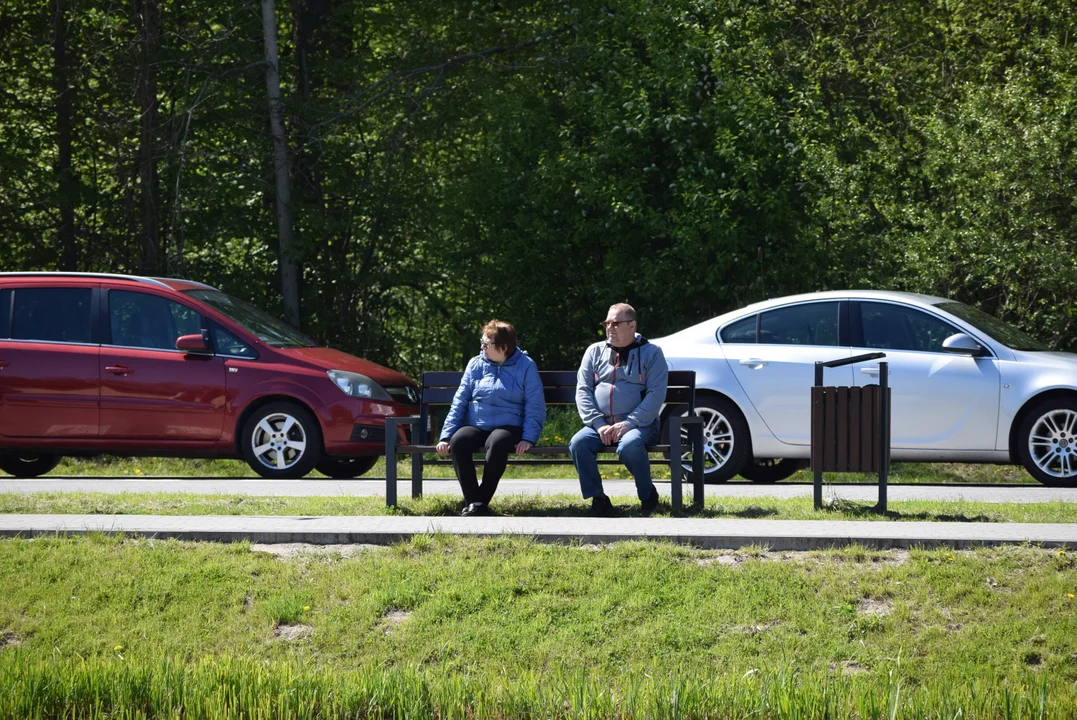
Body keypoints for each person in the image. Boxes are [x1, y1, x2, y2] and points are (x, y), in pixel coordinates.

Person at [436, 320, 546, 516]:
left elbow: (535, 405)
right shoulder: (475, 364)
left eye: (487, 344)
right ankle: (475, 502)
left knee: (498, 442)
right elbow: (459, 402)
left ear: (503, 348)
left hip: (509, 425)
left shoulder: (526, 366)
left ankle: (479, 502)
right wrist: (446, 436)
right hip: (478, 424)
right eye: (482, 342)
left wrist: (528, 438)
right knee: (459, 440)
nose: (482, 347)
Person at [569, 303, 668, 516]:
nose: (609, 328)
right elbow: (583, 391)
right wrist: (598, 424)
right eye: (607, 323)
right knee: (578, 443)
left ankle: (647, 495)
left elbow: (656, 395)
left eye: (615, 323)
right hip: (601, 424)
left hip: (641, 424)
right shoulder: (594, 351)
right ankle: (598, 499)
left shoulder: (652, 353)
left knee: (630, 446)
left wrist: (629, 423)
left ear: (632, 325)